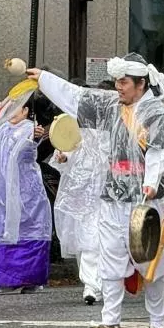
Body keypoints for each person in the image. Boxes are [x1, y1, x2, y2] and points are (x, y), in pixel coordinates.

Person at [28, 54, 164, 328]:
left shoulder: (160, 115)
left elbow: (159, 153)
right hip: (112, 193)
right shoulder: (111, 106)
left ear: (140, 84)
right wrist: (45, 80)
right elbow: (78, 97)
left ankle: (156, 319)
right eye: (118, 81)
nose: (118, 87)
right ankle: (110, 318)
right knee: (110, 254)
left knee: (149, 259)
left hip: (146, 199)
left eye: (124, 82)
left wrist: (150, 182)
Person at [0, 95, 52, 294]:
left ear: (26, 111)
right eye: (8, 105)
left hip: (26, 193)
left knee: (28, 230)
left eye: (15, 107)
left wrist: (35, 138)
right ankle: (2, 279)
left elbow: (28, 149)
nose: (9, 109)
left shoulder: (29, 128)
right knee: (0, 228)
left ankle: (30, 279)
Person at [50, 123, 107, 305]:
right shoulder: (76, 131)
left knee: (96, 241)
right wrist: (62, 157)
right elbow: (66, 150)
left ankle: (97, 284)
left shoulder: (109, 133)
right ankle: (91, 284)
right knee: (84, 242)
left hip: (103, 197)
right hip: (80, 197)